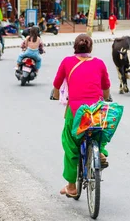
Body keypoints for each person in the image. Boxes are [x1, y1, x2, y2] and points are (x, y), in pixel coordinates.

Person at [51, 34, 112, 198]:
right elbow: (106, 87)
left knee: (70, 144)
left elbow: (57, 83)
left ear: (75, 48)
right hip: (96, 109)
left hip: (76, 110)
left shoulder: (67, 62)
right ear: (90, 48)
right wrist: (106, 98)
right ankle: (100, 152)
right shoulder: (99, 63)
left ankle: (71, 187)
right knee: (99, 132)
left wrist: (56, 95)